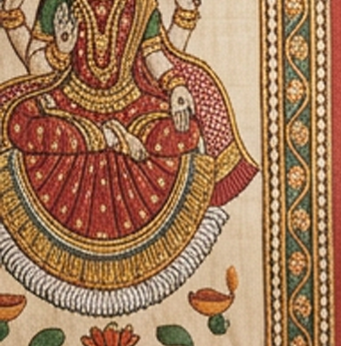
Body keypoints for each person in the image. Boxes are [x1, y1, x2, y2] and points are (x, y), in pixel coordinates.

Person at [0, 0, 255, 311]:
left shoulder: (141, 4)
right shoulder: (58, 2)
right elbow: (37, 67)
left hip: (132, 106)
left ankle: (109, 136)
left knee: (184, 132)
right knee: (17, 122)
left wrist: (175, 88)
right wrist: (61, 51)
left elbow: (154, 54)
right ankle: (105, 137)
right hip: (69, 103)